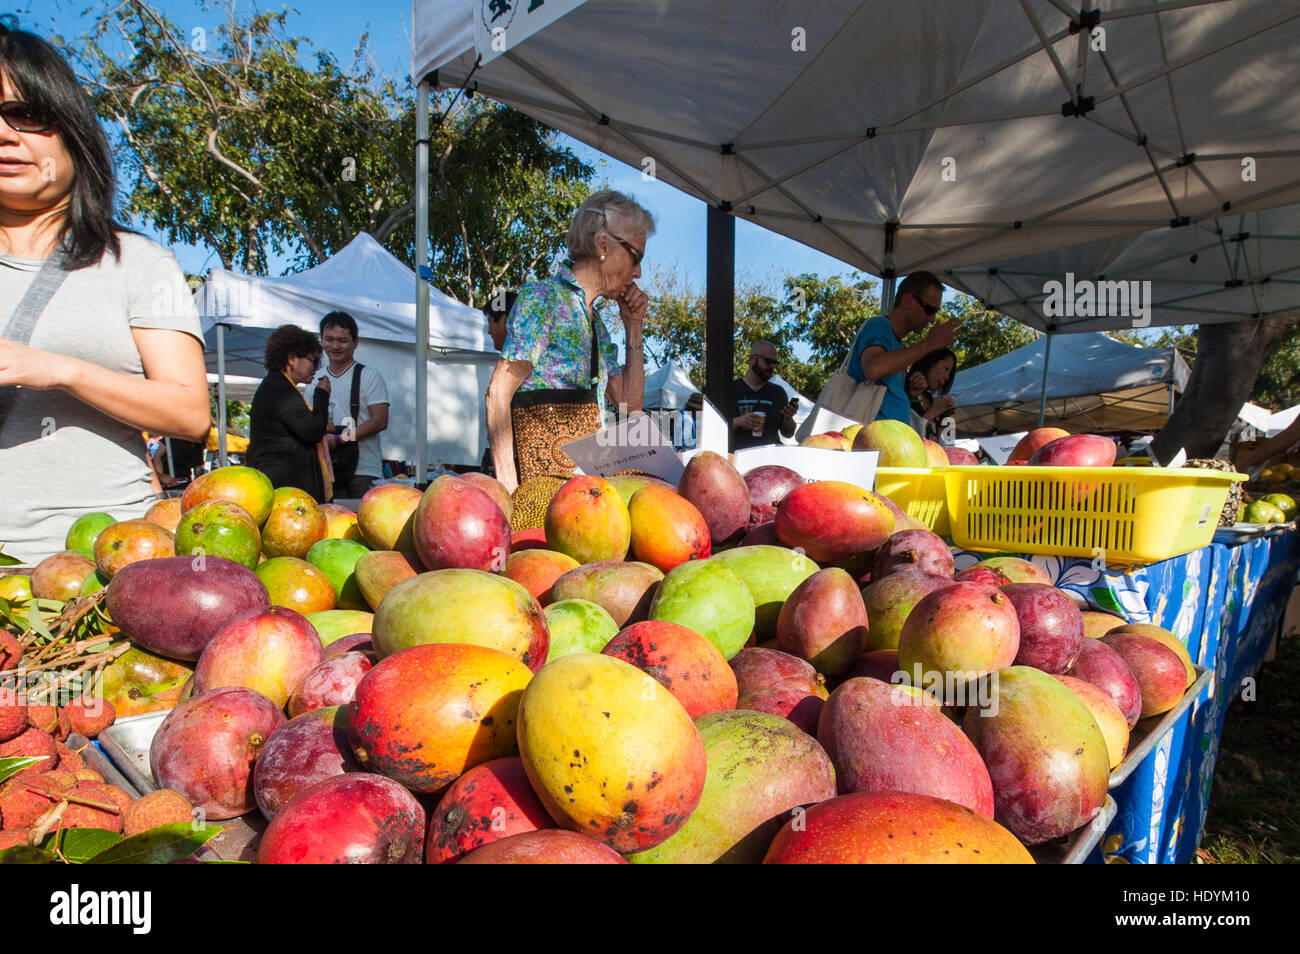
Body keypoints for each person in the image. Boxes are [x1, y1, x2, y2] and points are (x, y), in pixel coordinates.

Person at [0, 24, 209, 562]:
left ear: (71, 129)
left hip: (106, 567)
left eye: (25, 114)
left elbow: (190, 414)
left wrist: (60, 370)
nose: (5, 135)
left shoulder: (137, 263)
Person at [485, 190, 653, 493]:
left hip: (581, 493)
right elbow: (498, 392)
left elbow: (630, 405)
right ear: (603, 245)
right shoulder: (543, 299)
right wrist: (509, 489)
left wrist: (633, 325)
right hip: (543, 493)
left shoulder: (595, 322)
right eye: (636, 256)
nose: (638, 271)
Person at [846, 271, 959, 423]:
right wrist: (930, 344)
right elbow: (873, 368)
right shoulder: (879, 325)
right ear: (907, 300)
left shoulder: (897, 344)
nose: (932, 319)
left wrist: (910, 394)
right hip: (870, 437)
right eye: (929, 310)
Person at [247, 325, 331, 501]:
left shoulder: (276, 385)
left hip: (284, 480)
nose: (316, 368)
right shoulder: (279, 389)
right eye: (314, 360)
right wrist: (322, 396)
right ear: (292, 359)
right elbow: (313, 430)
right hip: (284, 484)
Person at [318, 311, 388, 499]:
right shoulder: (314, 379)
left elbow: (380, 421)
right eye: (329, 339)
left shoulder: (369, 376)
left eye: (342, 340)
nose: (335, 346)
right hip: (329, 470)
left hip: (363, 471)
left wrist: (341, 439)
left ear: (355, 343)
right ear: (322, 341)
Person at [732, 341, 797, 449]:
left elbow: (788, 434)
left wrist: (788, 418)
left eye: (774, 363)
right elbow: (714, 427)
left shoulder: (778, 392)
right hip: (736, 457)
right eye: (768, 361)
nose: (772, 366)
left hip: (770, 458)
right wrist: (739, 421)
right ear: (752, 359)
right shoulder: (731, 390)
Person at [906, 347, 957, 439]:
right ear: (930, 362)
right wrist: (931, 414)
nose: (947, 377)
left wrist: (944, 419)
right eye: (946, 369)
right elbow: (909, 437)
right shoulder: (905, 393)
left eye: (949, 373)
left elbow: (946, 442)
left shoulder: (929, 399)